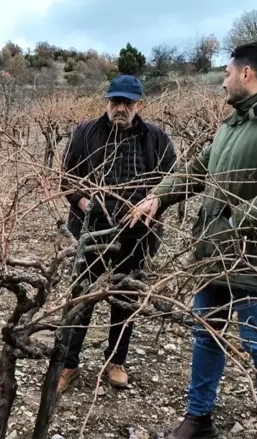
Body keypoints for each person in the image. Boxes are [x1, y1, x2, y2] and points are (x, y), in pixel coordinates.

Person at [125, 42, 257, 439]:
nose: (222, 82)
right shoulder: (235, 121)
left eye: (226, 73)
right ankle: (198, 419)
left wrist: (236, 221)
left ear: (246, 74)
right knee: (206, 334)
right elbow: (200, 166)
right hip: (214, 253)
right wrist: (159, 196)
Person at [59, 74, 177, 392]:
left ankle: (116, 361)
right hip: (92, 229)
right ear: (106, 102)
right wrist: (83, 202)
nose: (120, 108)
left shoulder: (156, 138)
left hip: (137, 233)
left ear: (139, 104)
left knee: (126, 297)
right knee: (82, 296)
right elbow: (67, 178)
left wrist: (156, 200)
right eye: (115, 102)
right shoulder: (85, 133)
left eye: (127, 102)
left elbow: (171, 181)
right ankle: (68, 364)